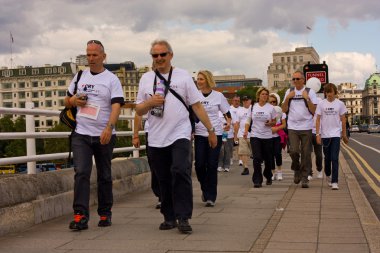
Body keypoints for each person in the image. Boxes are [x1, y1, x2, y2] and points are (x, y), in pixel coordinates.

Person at [135, 39, 217, 234]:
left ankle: (183, 216)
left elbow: (196, 105)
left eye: (163, 54)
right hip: (156, 136)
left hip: (180, 133)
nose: (159, 58)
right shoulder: (146, 79)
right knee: (163, 177)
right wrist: (150, 103)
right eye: (155, 55)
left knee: (180, 170)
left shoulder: (183, 77)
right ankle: (169, 216)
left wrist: (211, 130)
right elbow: (138, 109)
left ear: (170, 55)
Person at [66, 40, 125, 230]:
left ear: (103, 56)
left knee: (104, 175)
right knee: (81, 172)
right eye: (88, 55)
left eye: (94, 55)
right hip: (81, 133)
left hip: (103, 134)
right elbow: (67, 100)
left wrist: (109, 127)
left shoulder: (111, 79)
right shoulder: (80, 76)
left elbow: (117, 105)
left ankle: (105, 213)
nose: (91, 59)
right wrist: (74, 100)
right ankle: (80, 216)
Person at [194, 70, 231, 207]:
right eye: (197, 79)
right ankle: (205, 188)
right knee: (199, 165)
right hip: (199, 133)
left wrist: (228, 123)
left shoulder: (218, 96)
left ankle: (211, 196)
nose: (198, 81)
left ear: (208, 80)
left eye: (201, 79)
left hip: (215, 134)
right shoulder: (194, 95)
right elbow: (191, 114)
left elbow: (227, 112)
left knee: (212, 164)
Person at [282, 71, 318, 188]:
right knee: (294, 151)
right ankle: (296, 169)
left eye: (298, 79)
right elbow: (283, 109)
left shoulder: (309, 92)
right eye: (294, 79)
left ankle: (304, 177)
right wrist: (287, 98)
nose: (295, 81)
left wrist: (307, 99)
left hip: (306, 126)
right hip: (292, 126)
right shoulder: (289, 91)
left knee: (306, 153)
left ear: (303, 80)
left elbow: (314, 111)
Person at [316, 83, 349, 190]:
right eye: (327, 92)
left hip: (335, 134)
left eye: (331, 92)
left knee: (335, 158)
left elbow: (343, 120)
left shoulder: (340, 104)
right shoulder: (321, 104)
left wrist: (344, 135)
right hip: (325, 135)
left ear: (335, 92)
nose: (329, 94)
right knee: (327, 158)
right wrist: (318, 134)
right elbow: (318, 119)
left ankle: (335, 181)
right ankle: (328, 175)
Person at [244, 87, 277, 188]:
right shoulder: (253, 107)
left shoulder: (271, 108)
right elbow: (248, 120)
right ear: (258, 95)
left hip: (267, 137)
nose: (265, 96)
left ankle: (268, 175)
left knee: (268, 159)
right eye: (263, 94)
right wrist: (245, 131)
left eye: (266, 94)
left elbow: (274, 122)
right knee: (257, 158)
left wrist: (270, 123)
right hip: (255, 136)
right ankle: (257, 180)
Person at [132, 115, 161, 209]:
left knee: (171, 165)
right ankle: (161, 195)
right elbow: (139, 113)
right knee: (154, 165)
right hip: (152, 132)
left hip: (172, 133)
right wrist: (135, 135)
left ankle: (171, 194)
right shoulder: (147, 99)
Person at [269, 93, 286, 181]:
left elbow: (284, 124)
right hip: (268, 137)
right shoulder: (266, 111)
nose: (272, 103)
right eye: (270, 102)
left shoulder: (280, 111)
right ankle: (272, 172)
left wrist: (276, 128)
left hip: (277, 136)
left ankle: (279, 171)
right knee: (270, 155)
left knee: (277, 153)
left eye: (274, 102)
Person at [234, 96, 252, 175]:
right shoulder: (239, 110)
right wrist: (236, 136)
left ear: (250, 101)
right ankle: (246, 167)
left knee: (255, 151)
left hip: (253, 133)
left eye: (247, 100)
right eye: (244, 101)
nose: (245, 102)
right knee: (243, 152)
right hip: (242, 134)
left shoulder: (253, 108)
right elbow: (236, 123)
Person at [310, 97, 323, 179]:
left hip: (318, 133)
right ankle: (309, 172)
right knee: (307, 154)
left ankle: (319, 169)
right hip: (308, 132)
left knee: (318, 154)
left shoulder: (320, 101)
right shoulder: (308, 103)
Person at [229, 95, 241, 165]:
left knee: (239, 145)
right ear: (232, 101)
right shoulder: (229, 109)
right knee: (230, 146)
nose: (237, 102)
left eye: (238, 101)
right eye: (235, 100)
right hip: (231, 130)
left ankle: (240, 159)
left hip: (239, 130)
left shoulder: (241, 109)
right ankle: (230, 158)